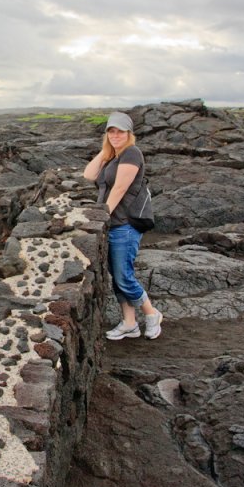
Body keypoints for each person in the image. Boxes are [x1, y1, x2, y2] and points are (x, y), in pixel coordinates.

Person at [83, 111, 163, 340]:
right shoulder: (114, 156)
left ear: (130, 134)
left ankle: (151, 313)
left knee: (124, 276)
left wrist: (103, 217)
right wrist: (106, 149)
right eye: (111, 131)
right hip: (113, 224)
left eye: (120, 131)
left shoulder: (132, 153)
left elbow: (119, 189)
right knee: (118, 276)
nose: (116, 135)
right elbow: (88, 175)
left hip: (125, 225)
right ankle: (129, 323)